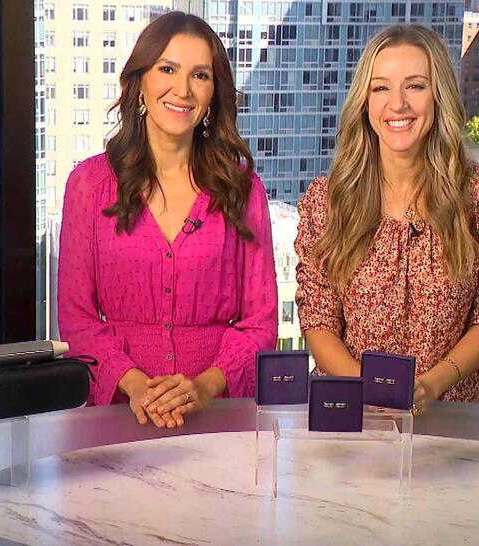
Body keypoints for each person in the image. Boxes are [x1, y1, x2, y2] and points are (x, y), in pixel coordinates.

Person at [58, 12, 277, 428]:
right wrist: (138, 385)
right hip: (117, 416)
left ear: (214, 92)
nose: (183, 89)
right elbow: (77, 318)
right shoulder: (88, 185)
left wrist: (205, 387)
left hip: (218, 417)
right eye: (168, 69)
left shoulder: (243, 189)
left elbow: (259, 323)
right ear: (141, 80)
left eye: (200, 75)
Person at [295, 24, 479, 415]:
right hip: (353, 418)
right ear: (364, 102)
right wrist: (365, 390)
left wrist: (432, 385)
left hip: (453, 420)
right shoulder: (328, 201)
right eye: (381, 87)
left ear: (439, 97)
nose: (397, 104)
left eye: (415, 86)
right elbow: (318, 317)